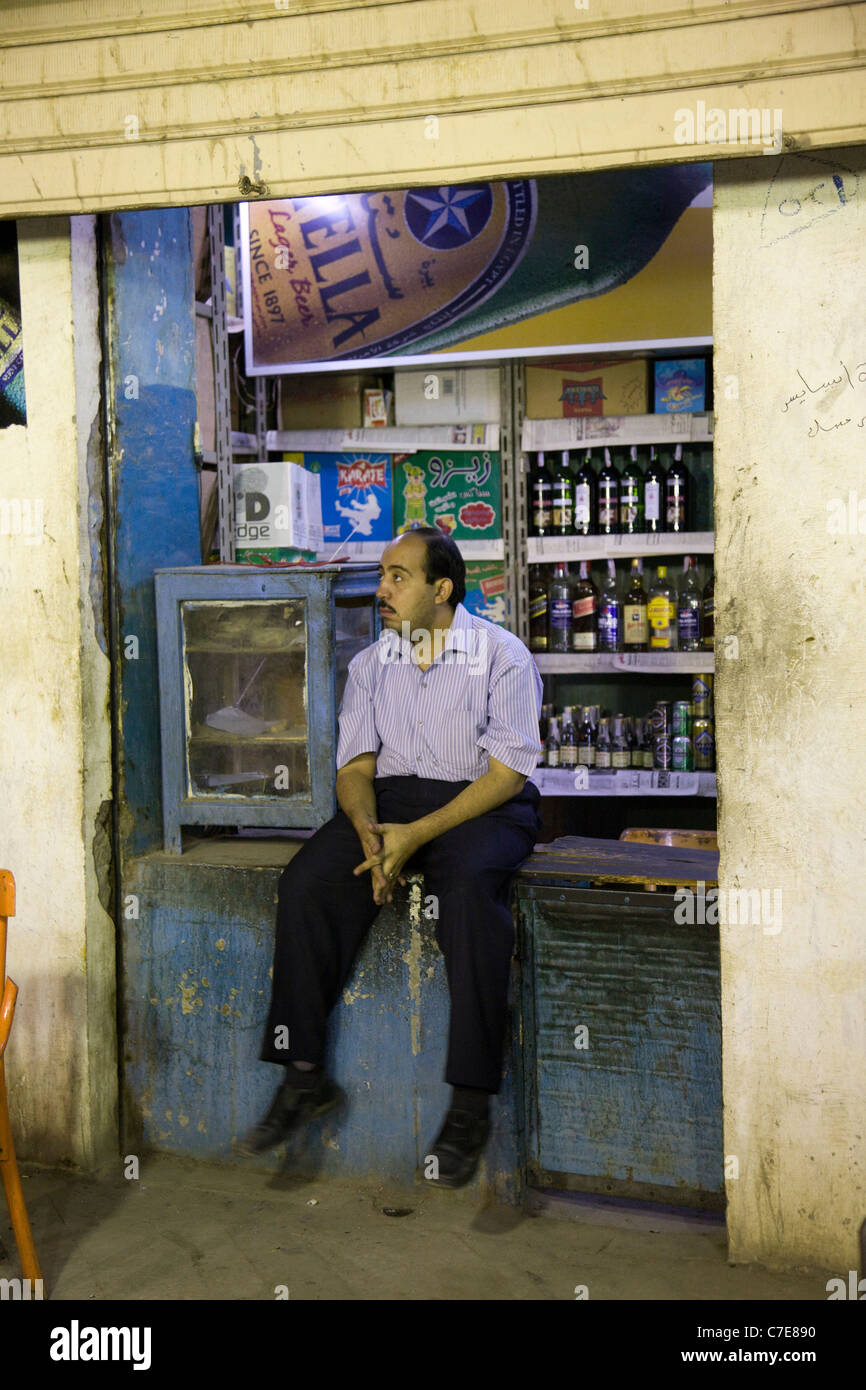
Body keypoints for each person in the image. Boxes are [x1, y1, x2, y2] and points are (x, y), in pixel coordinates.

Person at [238, 527, 542, 1187]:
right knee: (307, 883)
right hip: (391, 802)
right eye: (383, 576)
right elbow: (356, 767)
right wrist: (371, 832)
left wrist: (417, 836)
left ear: (442, 589)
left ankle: (469, 1104)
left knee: (467, 899)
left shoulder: (502, 656)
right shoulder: (371, 665)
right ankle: (303, 1075)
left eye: (398, 577)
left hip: (480, 805)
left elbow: (507, 774)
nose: (382, 590)